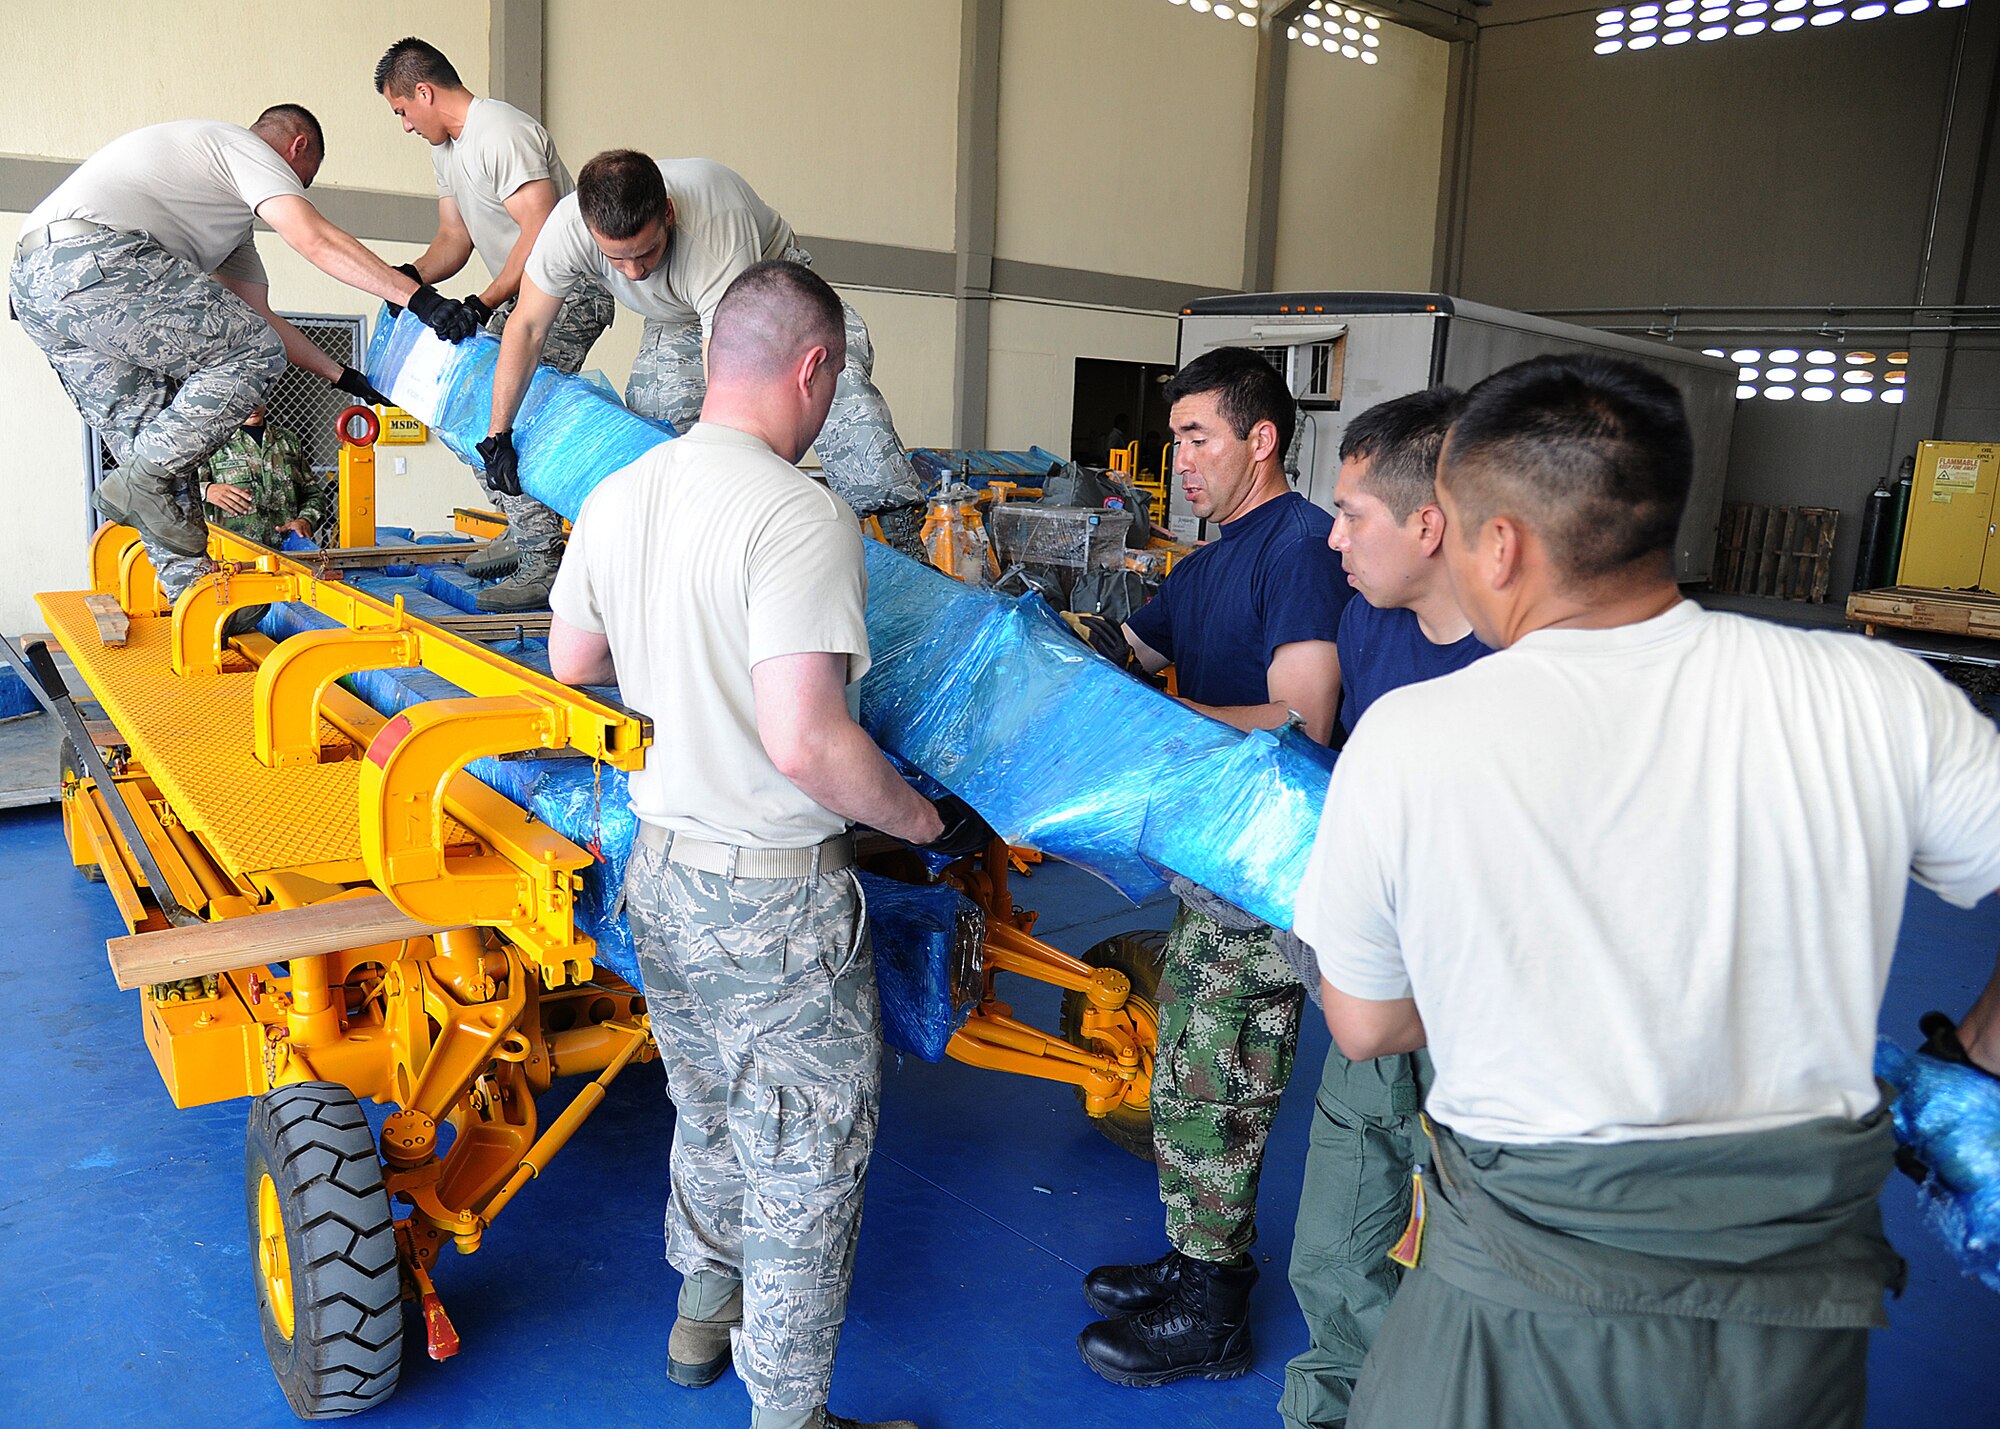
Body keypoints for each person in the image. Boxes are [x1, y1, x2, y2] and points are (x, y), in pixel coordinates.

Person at [1299, 353, 2000, 1429]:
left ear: (1501, 543)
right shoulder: (1872, 692)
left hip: (1521, 1299)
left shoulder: (1415, 737)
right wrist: (1975, 1068)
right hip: (1786, 1312)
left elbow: (1365, 1022)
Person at [547, 259, 987, 1429]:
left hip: (663, 871)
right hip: (772, 899)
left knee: (707, 1104)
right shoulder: (799, 514)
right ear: (812, 369)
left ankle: (702, 1313)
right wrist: (921, 820)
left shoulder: (621, 491)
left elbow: (571, 663)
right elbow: (807, 742)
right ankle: (788, 1417)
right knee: (804, 1159)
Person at [1071, 345, 1346, 1387]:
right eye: (1176, 436)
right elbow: (1127, 652)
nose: (1176, 459)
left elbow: (1300, 715)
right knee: (1190, 1056)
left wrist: (1166, 722)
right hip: (1209, 859)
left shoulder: (1299, 550)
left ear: (1258, 439)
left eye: (1196, 437)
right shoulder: (1204, 562)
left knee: (1220, 1074)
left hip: (1271, 864)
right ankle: (1195, 1259)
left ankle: (1213, 1312)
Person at [9, 106, 479, 600]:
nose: (297, 188)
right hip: (95, 260)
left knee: (154, 441)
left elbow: (262, 317)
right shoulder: (243, 148)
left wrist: (346, 378)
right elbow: (313, 240)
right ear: (298, 148)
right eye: (305, 179)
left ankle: (199, 603)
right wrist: (420, 298)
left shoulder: (225, 225)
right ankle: (139, 478)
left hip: (42, 289)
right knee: (207, 403)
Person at [1278, 387, 1490, 1429]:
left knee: (1469, 1279)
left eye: (1352, 512)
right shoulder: (1369, 626)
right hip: (1371, 1001)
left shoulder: (1529, 669)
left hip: (1483, 1035)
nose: (1330, 536)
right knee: (1334, 1249)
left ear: (1428, 523)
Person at [484, 149, 928, 554]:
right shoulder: (567, 228)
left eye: (646, 251)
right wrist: (499, 432)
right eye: (616, 260)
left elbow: (731, 367)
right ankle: (675, 548)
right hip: (676, 315)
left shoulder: (715, 225)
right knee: (654, 441)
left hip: (770, 293)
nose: (634, 272)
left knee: (834, 388)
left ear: (669, 214)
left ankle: (897, 531)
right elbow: (525, 329)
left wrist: (732, 471)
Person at [373, 36, 617, 610]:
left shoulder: (501, 131)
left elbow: (542, 231)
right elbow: (454, 242)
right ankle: (521, 526)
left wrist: (483, 303)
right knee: (457, 402)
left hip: (570, 288)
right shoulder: (446, 151)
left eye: (402, 111)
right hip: (522, 290)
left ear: (424, 92)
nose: (405, 126)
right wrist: (408, 279)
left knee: (508, 408)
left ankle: (543, 560)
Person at [199, 406, 328, 546]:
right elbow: (180, 491)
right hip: (236, 553)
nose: (253, 406)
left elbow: (313, 494)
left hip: (288, 552)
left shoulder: (288, 441)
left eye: (258, 399)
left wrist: (305, 520)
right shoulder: (213, 443)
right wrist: (207, 490)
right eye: (246, 400)